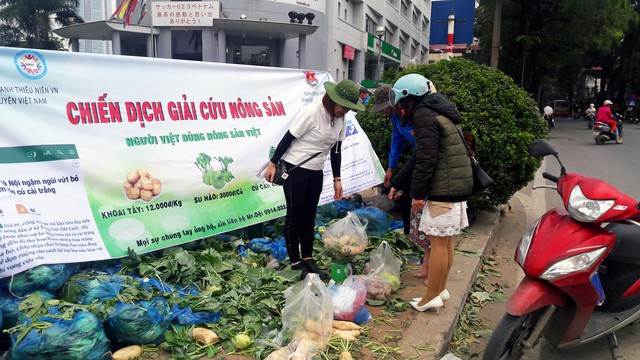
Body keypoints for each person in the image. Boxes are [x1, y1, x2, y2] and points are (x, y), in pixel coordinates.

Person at [388, 74, 473, 313]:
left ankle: (431, 296)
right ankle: (440, 288)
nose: (400, 109)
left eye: (400, 102)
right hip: (455, 185)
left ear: (409, 98)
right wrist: (399, 181)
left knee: (438, 243)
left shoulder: (424, 116)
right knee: (445, 242)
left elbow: (426, 160)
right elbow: (419, 156)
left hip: (442, 188)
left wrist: (417, 195)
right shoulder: (440, 111)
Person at [264, 79, 365, 280]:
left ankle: (308, 258)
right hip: (296, 170)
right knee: (295, 215)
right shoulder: (312, 112)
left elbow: (336, 150)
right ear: (333, 100)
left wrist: (337, 179)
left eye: (347, 110)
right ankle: (295, 261)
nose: (343, 112)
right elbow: (288, 138)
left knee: (310, 216)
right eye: (343, 108)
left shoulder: (341, 119)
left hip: (316, 172)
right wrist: (273, 163)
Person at [370, 84, 431, 282]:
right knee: (406, 198)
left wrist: (399, 179)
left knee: (418, 201)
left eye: (385, 107)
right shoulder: (397, 118)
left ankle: (428, 255)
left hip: (425, 160)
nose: (385, 112)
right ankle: (410, 236)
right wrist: (390, 168)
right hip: (417, 159)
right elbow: (396, 141)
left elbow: (424, 151)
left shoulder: (415, 116)